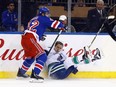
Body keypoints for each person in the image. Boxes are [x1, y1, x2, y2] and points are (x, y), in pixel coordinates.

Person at [16, 7, 65, 82]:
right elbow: (56, 24)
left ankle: (21, 73)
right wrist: (62, 24)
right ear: (42, 13)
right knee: (42, 56)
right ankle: (35, 75)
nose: (48, 15)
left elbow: (33, 29)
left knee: (31, 57)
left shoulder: (34, 18)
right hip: (30, 38)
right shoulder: (43, 18)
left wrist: (39, 36)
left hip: (25, 38)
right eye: (47, 13)